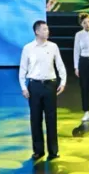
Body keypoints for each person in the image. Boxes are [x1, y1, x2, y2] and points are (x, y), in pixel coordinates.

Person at [19, 20, 68, 161]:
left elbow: (60, 65)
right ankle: (38, 151)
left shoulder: (53, 47)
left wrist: (63, 82)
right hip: (34, 86)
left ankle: (53, 151)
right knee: (35, 119)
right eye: (44, 29)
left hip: (50, 85)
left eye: (47, 29)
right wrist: (23, 87)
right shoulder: (28, 48)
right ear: (37, 32)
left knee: (51, 118)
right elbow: (23, 69)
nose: (47, 31)